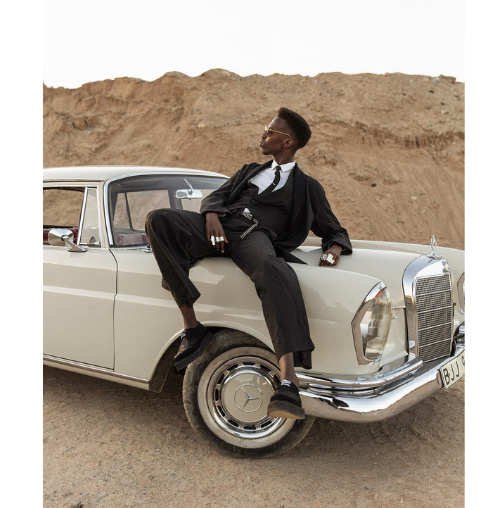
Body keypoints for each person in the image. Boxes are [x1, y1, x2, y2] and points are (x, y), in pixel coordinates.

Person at [145, 107, 352, 420]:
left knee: (273, 270)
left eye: (270, 131)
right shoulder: (249, 170)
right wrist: (211, 217)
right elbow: (217, 196)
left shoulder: (308, 187)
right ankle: (192, 326)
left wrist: (333, 248)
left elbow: (332, 228)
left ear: (287, 142)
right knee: (159, 220)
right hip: (216, 227)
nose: (263, 135)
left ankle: (288, 381)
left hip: (254, 237)